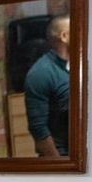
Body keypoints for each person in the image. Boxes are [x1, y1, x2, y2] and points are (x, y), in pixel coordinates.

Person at [24, 14, 70, 157]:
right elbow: (39, 130)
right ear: (64, 36)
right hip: (64, 158)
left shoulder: (82, 64)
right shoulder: (40, 73)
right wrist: (61, 169)